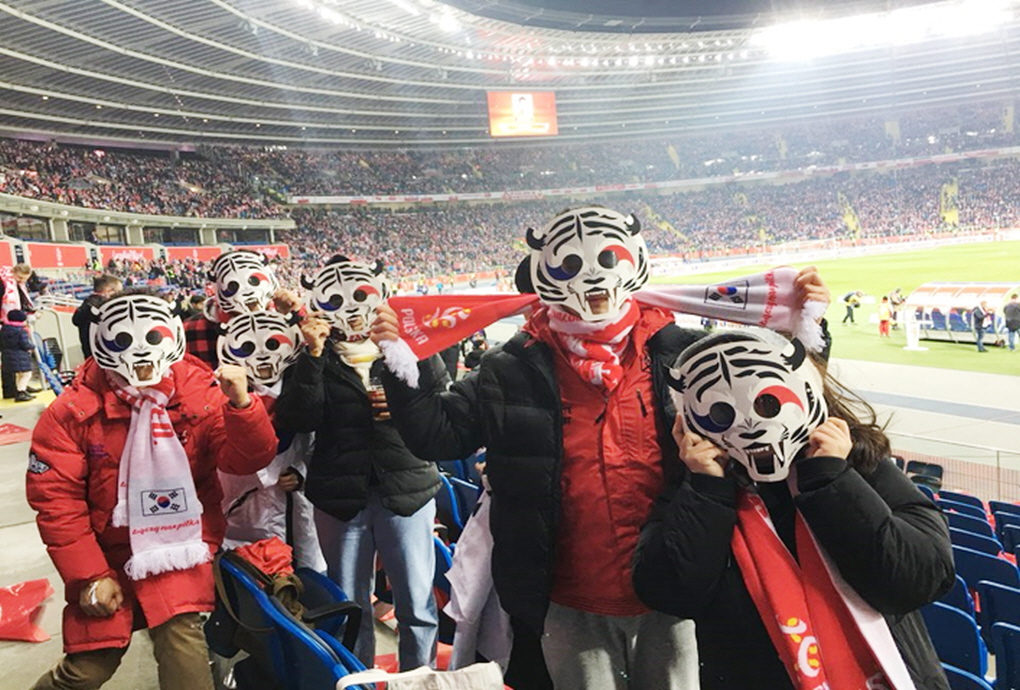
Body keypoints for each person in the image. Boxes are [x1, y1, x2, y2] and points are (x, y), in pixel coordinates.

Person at [369, 206, 830, 690]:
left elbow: (776, 397)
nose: (591, 277)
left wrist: (807, 323)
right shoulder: (511, 367)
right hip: (566, 597)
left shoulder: (683, 354)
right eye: (570, 265)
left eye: (606, 258)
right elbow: (438, 436)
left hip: (678, 591)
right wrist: (405, 356)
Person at [632, 327, 954, 690]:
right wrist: (707, 488)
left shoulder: (861, 464)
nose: (750, 426)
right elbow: (670, 593)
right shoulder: (694, 488)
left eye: (767, 405)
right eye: (721, 412)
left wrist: (831, 479)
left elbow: (920, 579)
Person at [26, 289, 277, 690]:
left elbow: (246, 460)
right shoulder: (72, 411)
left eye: (152, 336)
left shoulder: (198, 390)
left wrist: (243, 407)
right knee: (86, 669)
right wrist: (89, 576)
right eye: (124, 339)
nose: (141, 351)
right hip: (106, 553)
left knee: (183, 644)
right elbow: (56, 502)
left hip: (179, 546)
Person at [276, 255, 440, 671]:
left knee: (417, 602)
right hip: (340, 497)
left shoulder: (405, 344)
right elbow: (299, 419)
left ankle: (419, 679)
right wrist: (313, 355)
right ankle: (358, 678)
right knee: (350, 604)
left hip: (407, 489)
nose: (351, 309)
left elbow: (439, 400)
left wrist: (404, 406)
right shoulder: (311, 356)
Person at [216, 310, 326, 571]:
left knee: (305, 568)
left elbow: (318, 441)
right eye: (248, 347)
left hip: (295, 505)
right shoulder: (219, 393)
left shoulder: (302, 386)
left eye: (273, 344)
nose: (263, 355)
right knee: (249, 570)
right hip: (241, 508)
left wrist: (301, 473)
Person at [184, 250, 280, 368]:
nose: (247, 292)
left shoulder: (289, 322)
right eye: (233, 285)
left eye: (254, 281)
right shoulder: (190, 330)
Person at [72, 274, 123, 358]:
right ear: (109, 291)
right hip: (106, 359)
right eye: (118, 292)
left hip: (90, 358)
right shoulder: (105, 308)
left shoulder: (86, 305)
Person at [2, 309, 37, 401]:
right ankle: (21, 391)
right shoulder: (21, 331)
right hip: (20, 356)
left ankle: (19, 391)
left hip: (7, 356)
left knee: (18, 375)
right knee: (26, 374)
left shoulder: (4, 330)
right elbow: (25, 344)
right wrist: (32, 346)